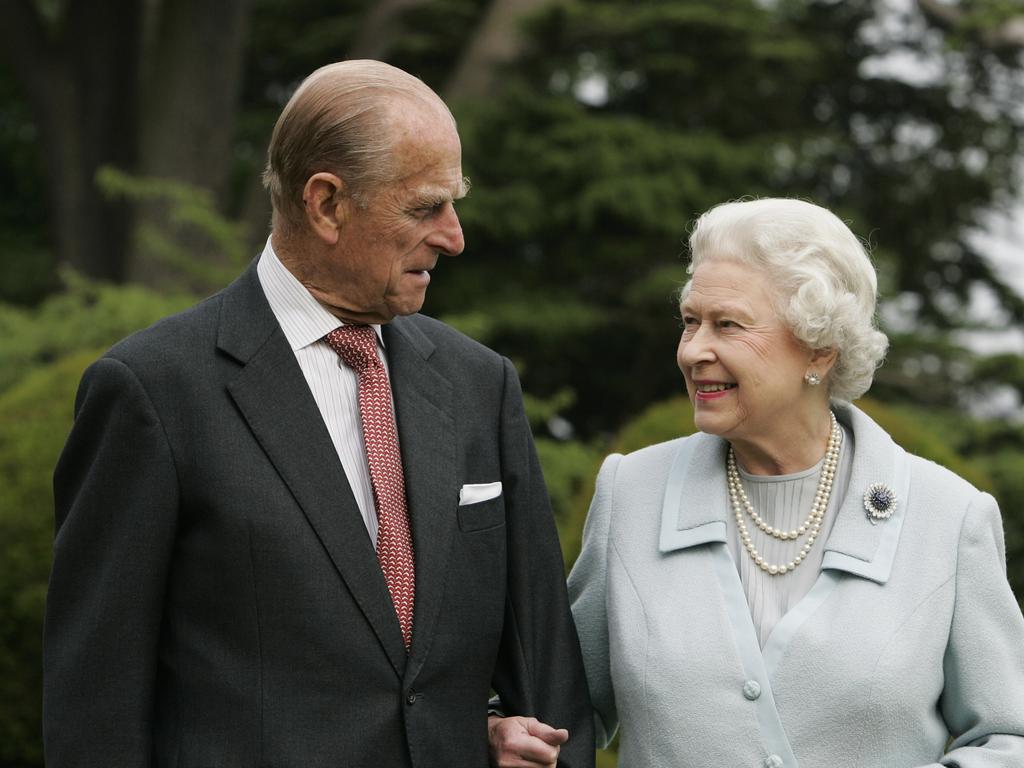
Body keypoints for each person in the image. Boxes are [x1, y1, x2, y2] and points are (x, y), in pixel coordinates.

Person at [43, 60, 592, 768]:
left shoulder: (479, 384)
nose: (454, 236)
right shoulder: (152, 391)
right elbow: (96, 708)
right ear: (327, 204)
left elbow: (547, 683)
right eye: (425, 207)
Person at [497, 198, 1024, 767]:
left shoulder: (948, 517)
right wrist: (502, 729)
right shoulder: (632, 493)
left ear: (819, 348)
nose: (695, 350)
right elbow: (561, 707)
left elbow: (1008, 738)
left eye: (728, 325)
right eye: (690, 322)